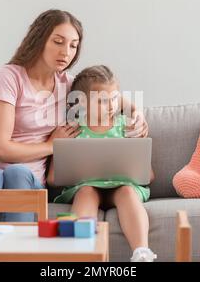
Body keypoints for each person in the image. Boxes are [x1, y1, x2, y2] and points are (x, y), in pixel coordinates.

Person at [0, 10, 149, 222]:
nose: (66, 52)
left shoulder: (68, 84)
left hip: (28, 177)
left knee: (17, 174)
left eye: (73, 46)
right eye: (58, 41)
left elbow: (112, 96)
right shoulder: (10, 76)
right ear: (39, 39)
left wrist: (136, 113)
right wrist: (51, 146)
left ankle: (22, 254)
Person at [47, 65, 157, 262]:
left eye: (114, 99)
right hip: (85, 187)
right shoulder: (72, 130)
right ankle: (80, 254)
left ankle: (142, 252)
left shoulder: (126, 126)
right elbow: (53, 178)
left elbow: (147, 175)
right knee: (86, 192)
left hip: (123, 186)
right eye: (102, 101)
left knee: (126, 192)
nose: (112, 106)